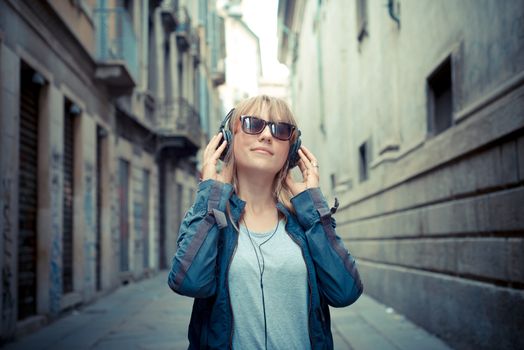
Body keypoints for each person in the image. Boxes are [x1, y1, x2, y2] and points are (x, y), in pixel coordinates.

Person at [168, 95, 363, 349]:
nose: (267, 136)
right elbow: (188, 281)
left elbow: (345, 291)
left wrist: (313, 206)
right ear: (228, 139)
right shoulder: (211, 216)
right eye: (252, 124)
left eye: (280, 130)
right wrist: (211, 194)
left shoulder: (305, 220)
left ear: (292, 150)